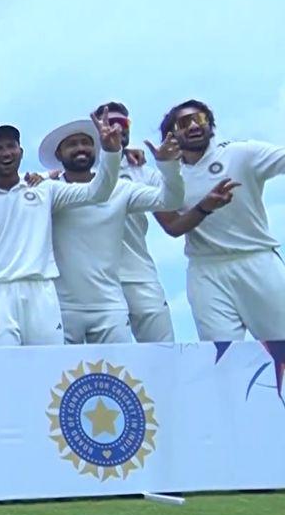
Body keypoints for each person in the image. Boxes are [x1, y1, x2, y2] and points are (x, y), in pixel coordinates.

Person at [0, 112, 123, 346]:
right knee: (2, 374)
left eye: (11, 146)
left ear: (21, 152)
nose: (6, 153)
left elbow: (99, 192)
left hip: (42, 292)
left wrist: (111, 152)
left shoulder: (45, 189)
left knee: (49, 374)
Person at [39, 119, 184, 344]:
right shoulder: (48, 191)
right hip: (62, 306)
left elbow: (170, 200)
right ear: (58, 154)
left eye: (86, 143)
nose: (80, 148)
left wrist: (169, 167)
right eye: (72, 144)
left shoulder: (121, 189)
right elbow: (9, 186)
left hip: (110, 306)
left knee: (120, 377)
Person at [153, 100, 285, 341]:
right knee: (222, 358)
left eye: (200, 119)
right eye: (184, 122)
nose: (193, 125)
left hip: (257, 260)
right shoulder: (166, 178)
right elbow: (172, 227)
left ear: (210, 126)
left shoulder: (241, 153)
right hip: (205, 271)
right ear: (171, 136)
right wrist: (204, 207)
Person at [89, 102, 177, 342]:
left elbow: (171, 205)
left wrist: (169, 166)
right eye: (110, 122)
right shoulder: (82, 166)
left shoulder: (142, 171)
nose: (118, 128)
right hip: (95, 281)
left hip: (140, 275)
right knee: (109, 364)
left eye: (123, 123)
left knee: (163, 353)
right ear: (97, 128)